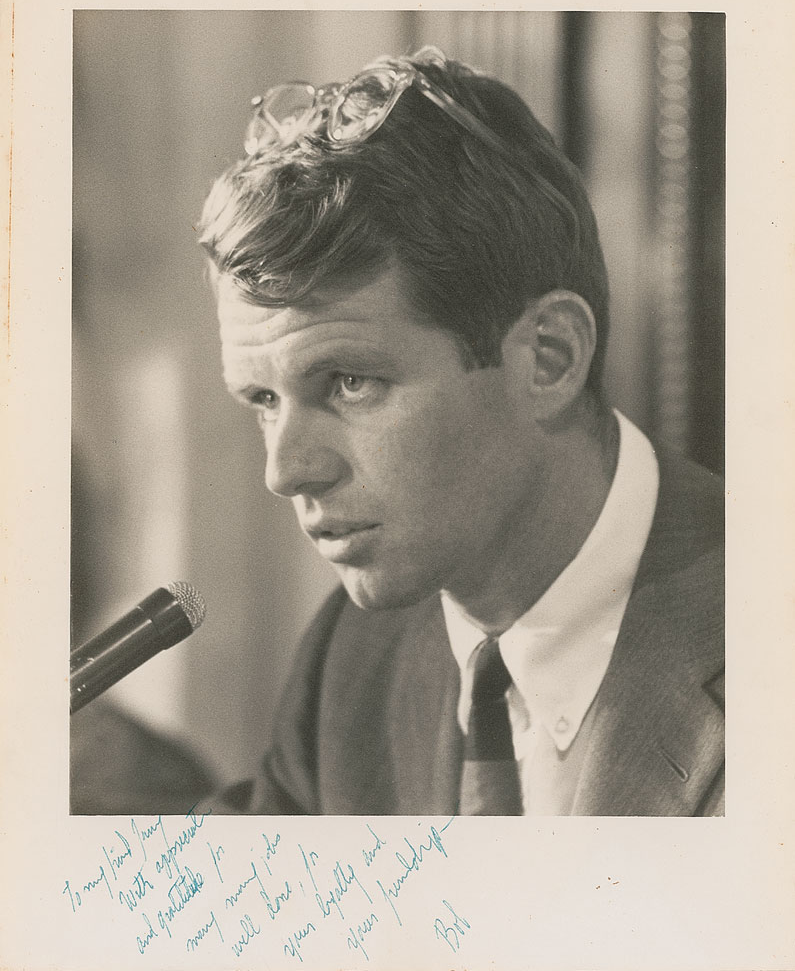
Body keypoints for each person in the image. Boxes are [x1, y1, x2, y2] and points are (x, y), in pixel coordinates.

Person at [196, 46, 724, 816]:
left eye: (348, 382)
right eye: (263, 400)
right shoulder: (354, 654)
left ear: (548, 358)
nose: (286, 471)